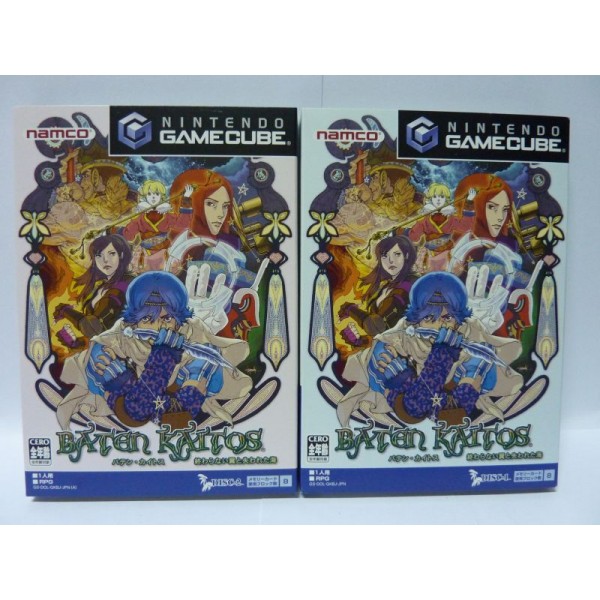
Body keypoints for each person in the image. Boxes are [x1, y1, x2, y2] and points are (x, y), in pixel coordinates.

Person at [56, 271, 252, 430]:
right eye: (148, 319)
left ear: (179, 320)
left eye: (166, 319)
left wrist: (130, 381)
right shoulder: (110, 344)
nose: (158, 328)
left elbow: (178, 418)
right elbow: (136, 413)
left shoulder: (197, 341)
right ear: (134, 321)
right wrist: (164, 361)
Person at [337, 271, 523, 427]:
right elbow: (412, 411)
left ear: (459, 319)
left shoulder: (475, 343)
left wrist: (406, 378)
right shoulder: (391, 342)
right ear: (416, 319)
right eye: (429, 318)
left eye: (447, 318)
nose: (438, 327)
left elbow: (451, 415)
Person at [54, 234, 133, 341]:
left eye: (111, 254)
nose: (105, 260)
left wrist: (65, 311)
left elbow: (94, 327)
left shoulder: (125, 284)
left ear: (121, 255)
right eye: (99, 255)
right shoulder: (102, 286)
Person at [339, 235, 416, 343]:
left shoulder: (409, 285)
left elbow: (377, 325)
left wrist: (350, 309)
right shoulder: (387, 285)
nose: (390, 261)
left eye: (397, 254)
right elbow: (382, 331)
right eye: (385, 256)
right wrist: (359, 340)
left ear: (406, 255)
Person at [408, 182, 472, 271]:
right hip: (428, 253)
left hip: (446, 252)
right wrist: (419, 221)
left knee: (446, 272)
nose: (438, 200)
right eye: (435, 197)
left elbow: (466, 225)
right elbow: (413, 237)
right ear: (431, 199)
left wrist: (469, 203)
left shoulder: (451, 218)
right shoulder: (425, 218)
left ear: (446, 199)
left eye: (442, 197)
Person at [122, 179, 180, 271]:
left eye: (156, 194)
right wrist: (136, 216)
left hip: (164, 251)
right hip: (145, 253)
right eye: (149, 194)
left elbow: (181, 223)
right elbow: (128, 236)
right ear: (145, 197)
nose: (153, 197)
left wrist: (186, 199)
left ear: (161, 197)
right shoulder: (140, 217)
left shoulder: (167, 215)